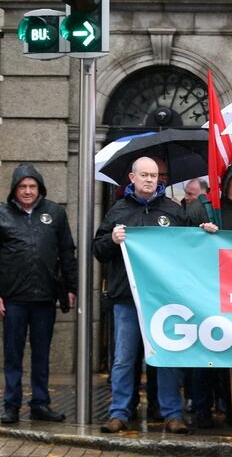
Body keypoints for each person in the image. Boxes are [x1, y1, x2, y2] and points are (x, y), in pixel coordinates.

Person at [93, 157, 189, 434]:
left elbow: (187, 249)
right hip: (127, 298)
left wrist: (205, 232)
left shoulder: (173, 211)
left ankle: (172, 414)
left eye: (154, 175)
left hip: (163, 299)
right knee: (124, 358)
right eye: (144, 175)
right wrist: (111, 240)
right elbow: (98, 249)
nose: (149, 179)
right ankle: (119, 413)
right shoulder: (117, 211)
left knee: (167, 356)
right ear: (132, 178)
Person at [0, 164, 77, 424]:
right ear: (14, 189)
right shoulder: (2, 214)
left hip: (45, 297)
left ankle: (40, 404)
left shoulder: (55, 213)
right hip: (13, 298)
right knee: (13, 354)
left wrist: (71, 287)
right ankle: (11, 405)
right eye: (23, 186)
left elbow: (67, 252)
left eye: (32, 186)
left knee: (42, 354)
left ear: (40, 188)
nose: (28, 191)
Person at [186, 161, 232, 428]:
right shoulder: (201, 208)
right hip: (205, 292)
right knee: (204, 356)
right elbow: (184, 244)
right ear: (226, 180)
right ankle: (202, 411)